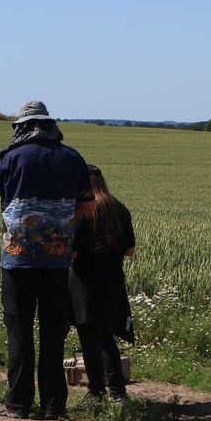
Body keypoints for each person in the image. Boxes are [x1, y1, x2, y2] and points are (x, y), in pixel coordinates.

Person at [0, 101, 94, 420]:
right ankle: (54, 405)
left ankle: (18, 404)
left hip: (17, 260)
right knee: (53, 333)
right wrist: (59, 218)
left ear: (21, 127)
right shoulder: (72, 158)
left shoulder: (9, 157)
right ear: (50, 126)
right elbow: (87, 205)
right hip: (57, 261)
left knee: (19, 331)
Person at [69, 164, 136, 402]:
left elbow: (73, 252)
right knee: (107, 336)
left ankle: (96, 390)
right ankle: (118, 391)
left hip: (84, 282)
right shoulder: (120, 209)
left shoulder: (84, 211)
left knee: (89, 337)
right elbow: (130, 250)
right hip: (113, 281)